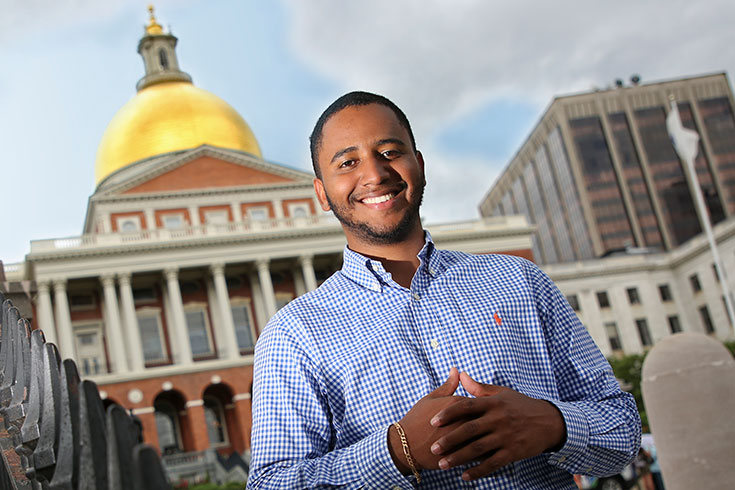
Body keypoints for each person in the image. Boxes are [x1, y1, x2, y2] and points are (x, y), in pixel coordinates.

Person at [247, 91, 641, 489]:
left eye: (389, 151)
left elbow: (623, 430)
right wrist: (396, 452)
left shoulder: (519, 280)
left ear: (418, 164)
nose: (375, 174)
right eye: (348, 162)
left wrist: (550, 424)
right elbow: (271, 484)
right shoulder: (294, 334)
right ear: (322, 194)